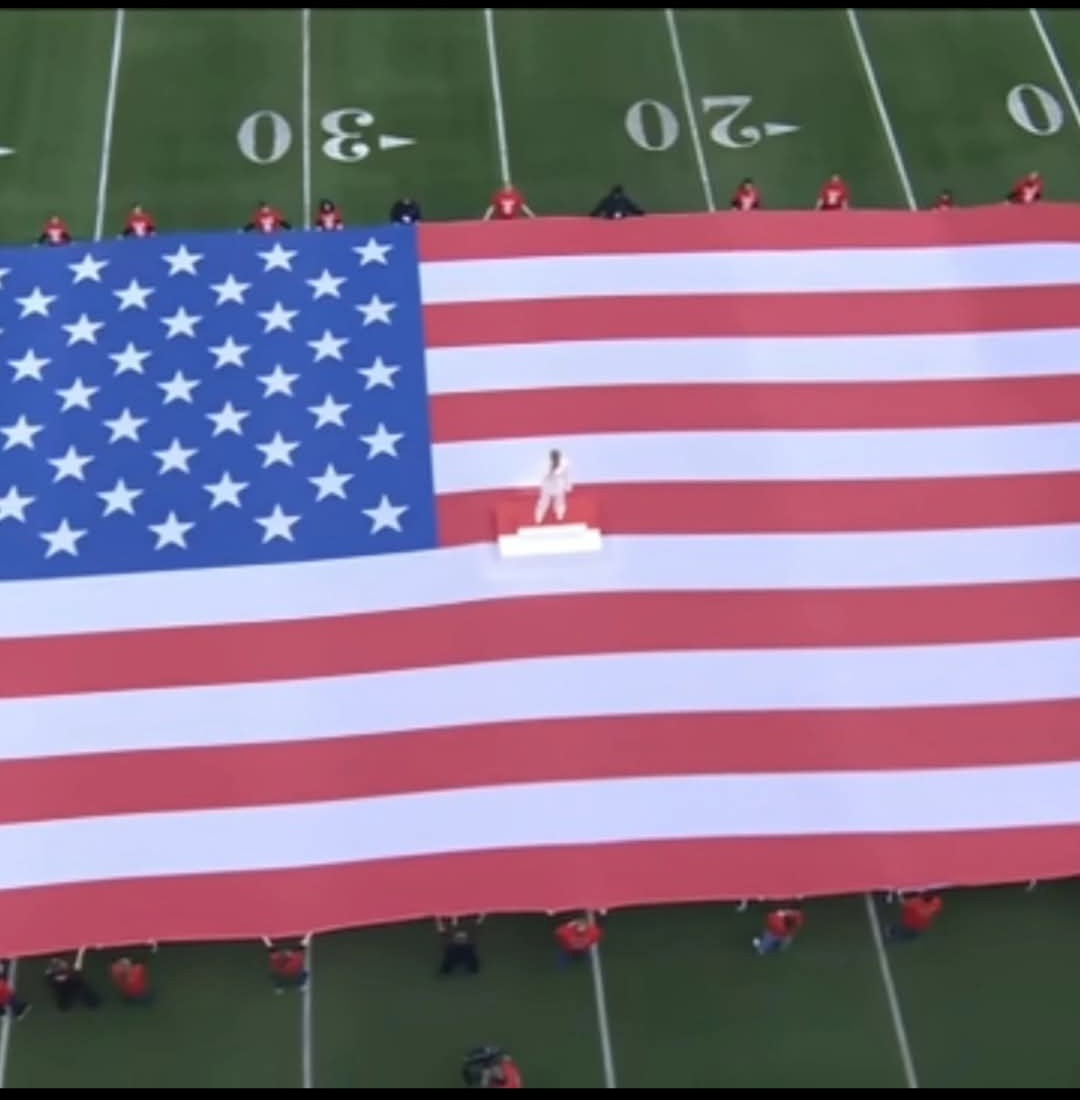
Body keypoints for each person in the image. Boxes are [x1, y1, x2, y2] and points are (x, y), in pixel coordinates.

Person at [535, 448, 572, 524]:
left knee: (560, 503)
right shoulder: (546, 465)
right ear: (551, 458)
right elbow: (542, 477)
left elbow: (566, 476)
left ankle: (560, 516)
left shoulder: (564, 464)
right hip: (547, 487)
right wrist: (550, 471)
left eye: (557, 458)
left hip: (558, 487)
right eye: (554, 458)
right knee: (543, 503)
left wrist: (568, 486)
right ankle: (539, 518)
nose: (556, 460)